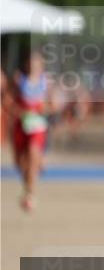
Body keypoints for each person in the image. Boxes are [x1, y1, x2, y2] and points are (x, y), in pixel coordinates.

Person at [10, 52, 53, 212]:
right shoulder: (18, 80)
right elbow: (9, 101)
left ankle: (30, 194)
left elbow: (54, 104)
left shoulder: (46, 82)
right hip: (21, 125)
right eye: (30, 63)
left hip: (38, 125)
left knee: (33, 154)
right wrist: (20, 112)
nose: (33, 66)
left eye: (36, 63)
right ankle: (27, 186)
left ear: (41, 65)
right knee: (20, 163)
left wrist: (42, 109)